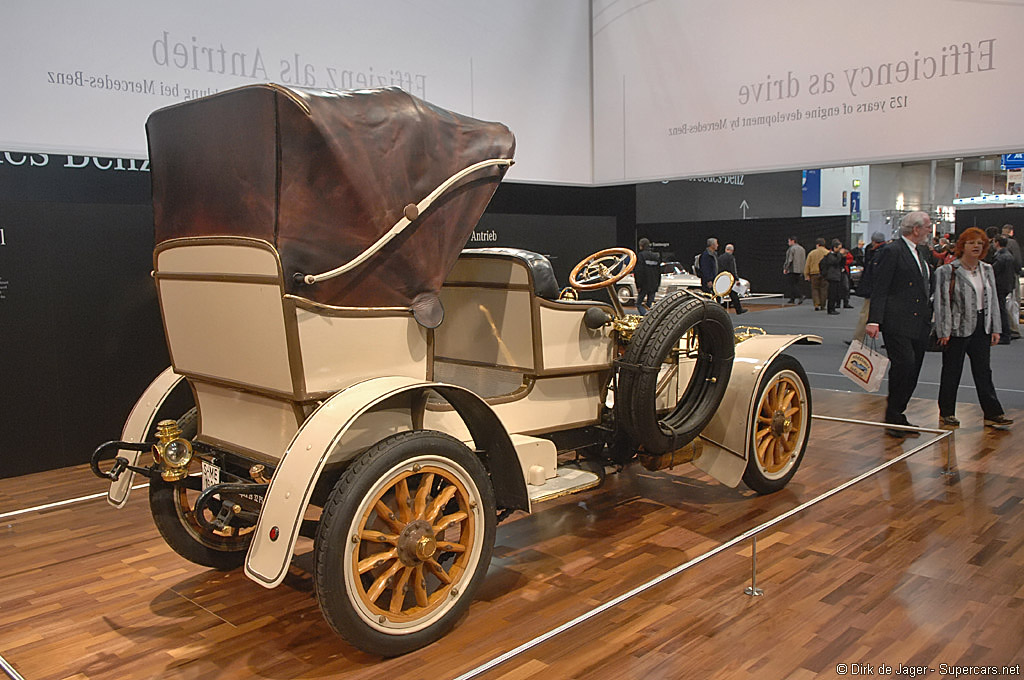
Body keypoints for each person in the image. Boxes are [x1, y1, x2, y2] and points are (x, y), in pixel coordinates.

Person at [933, 228, 1013, 427]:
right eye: (971, 243)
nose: (976, 246)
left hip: (981, 327)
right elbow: (942, 303)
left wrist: (995, 327)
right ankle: (947, 412)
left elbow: (992, 300)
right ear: (962, 246)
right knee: (952, 371)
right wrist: (944, 330)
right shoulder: (947, 271)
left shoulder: (987, 269)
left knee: (983, 372)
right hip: (956, 328)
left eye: (980, 243)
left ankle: (993, 413)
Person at [865, 211, 933, 438]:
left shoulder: (920, 252)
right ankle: (893, 414)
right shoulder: (892, 251)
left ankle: (899, 412)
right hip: (897, 321)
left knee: (913, 369)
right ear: (916, 229)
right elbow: (880, 287)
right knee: (904, 365)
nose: (929, 231)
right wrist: (874, 320)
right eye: (927, 227)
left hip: (919, 322)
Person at [847, 231, 888, 344]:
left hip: (874, 291)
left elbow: (872, 273)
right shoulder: (886, 252)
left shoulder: (875, 253)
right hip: (882, 290)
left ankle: (857, 340)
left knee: (865, 315)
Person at [991, 235, 1016, 344]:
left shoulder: (1000, 257)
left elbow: (993, 271)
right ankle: (1006, 333)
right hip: (1007, 285)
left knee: (1001, 310)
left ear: (996, 243)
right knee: (1002, 309)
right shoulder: (1009, 255)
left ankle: (1005, 335)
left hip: (1000, 286)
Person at [1000, 224, 1021, 339]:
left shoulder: (997, 243)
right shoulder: (1012, 243)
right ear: (1011, 232)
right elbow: (1017, 261)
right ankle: (1014, 328)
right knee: (1013, 303)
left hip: (1001, 278)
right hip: (1011, 276)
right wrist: (1018, 272)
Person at [716, 243, 747, 315]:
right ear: (732, 250)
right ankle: (738, 309)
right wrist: (737, 279)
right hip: (729, 278)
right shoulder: (731, 258)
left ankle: (718, 310)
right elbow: (733, 269)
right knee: (733, 294)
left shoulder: (720, 257)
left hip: (721, 277)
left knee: (719, 294)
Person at [634, 238, 661, 316]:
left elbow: (639, 272)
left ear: (641, 246)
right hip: (654, 285)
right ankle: (649, 318)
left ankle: (645, 317)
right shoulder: (656, 256)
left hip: (644, 285)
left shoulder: (641, 256)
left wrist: (638, 285)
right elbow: (659, 272)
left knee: (638, 304)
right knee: (649, 305)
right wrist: (657, 285)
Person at [820, 239, 845, 315]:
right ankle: (831, 308)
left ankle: (832, 307)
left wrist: (843, 256)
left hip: (836, 275)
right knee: (832, 293)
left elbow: (841, 263)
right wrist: (840, 255)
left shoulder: (836, 255)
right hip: (832, 276)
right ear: (834, 247)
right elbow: (835, 262)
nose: (840, 250)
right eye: (839, 248)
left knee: (835, 293)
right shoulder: (830, 256)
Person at [804, 237, 829, 310]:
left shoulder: (812, 253)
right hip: (825, 274)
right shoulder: (827, 253)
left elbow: (807, 264)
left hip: (814, 273)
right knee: (824, 289)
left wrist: (806, 274)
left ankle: (816, 304)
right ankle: (823, 305)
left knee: (815, 289)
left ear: (817, 245)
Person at [782, 236, 806, 304]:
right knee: (796, 284)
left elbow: (789, 260)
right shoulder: (802, 249)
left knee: (792, 284)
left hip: (792, 269)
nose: (788, 243)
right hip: (800, 270)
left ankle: (800, 295)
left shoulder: (792, 249)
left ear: (793, 241)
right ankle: (792, 298)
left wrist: (786, 268)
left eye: (789, 241)